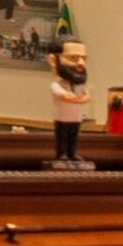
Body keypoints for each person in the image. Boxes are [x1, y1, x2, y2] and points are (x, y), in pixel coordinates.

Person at [49, 41, 92, 169]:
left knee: (73, 137)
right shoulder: (56, 85)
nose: (81, 63)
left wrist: (80, 98)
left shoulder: (80, 86)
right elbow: (65, 96)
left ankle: (72, 153)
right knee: (62, 137)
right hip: (62, 118)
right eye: (73, 58)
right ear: (54, 60)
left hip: (76, 117)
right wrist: (78, 99)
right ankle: (62, 154)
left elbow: (87, 97)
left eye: (84, 59)